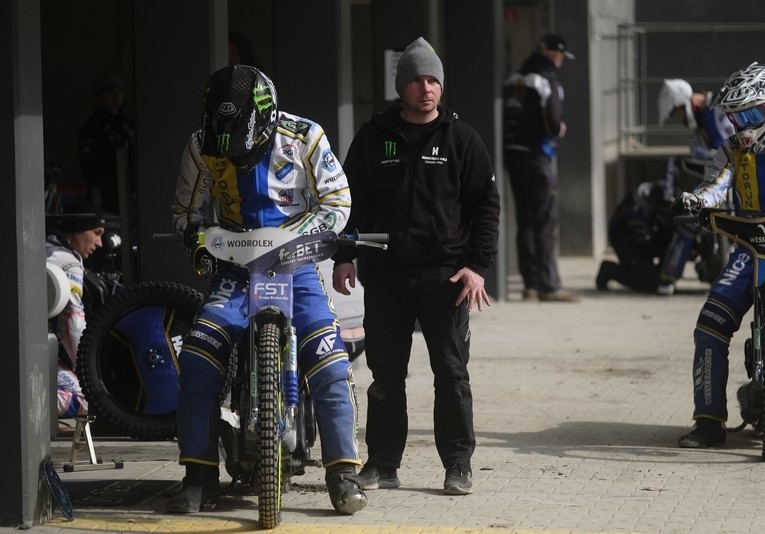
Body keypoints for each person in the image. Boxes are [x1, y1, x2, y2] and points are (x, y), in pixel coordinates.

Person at [168, 65, 367, 515]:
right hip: (235, 269)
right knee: (198, 357)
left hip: (296, 266)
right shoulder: (201, 146)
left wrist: (306, 240)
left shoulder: (307, 136)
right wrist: (198, 241)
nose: (236, 158)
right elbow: (185, 211)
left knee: (330, 359)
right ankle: (198, 476)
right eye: (228, 150)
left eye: (245, 149)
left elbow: (338, 201)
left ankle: (342, 473)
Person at [332, 36, 500, 496]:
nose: (426, 88)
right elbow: (348, 201)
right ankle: (383, 464)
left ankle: (458, 466)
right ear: (400, 87)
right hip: (385, 275)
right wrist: (344, 255)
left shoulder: (462, 139)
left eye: (433, 80)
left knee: (451, 374)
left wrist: (477, 267)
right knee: (386, 376)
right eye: (417, 80)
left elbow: (486, 205)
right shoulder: (371, 139)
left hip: (446, 277)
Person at [674, 62, 765, 448]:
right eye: (736, 118)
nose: (743, 127)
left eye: (752, 115)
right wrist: (698, 200)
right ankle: (709, 421)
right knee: (709, 326)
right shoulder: (730, 150)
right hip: (748, 247)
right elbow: (715, 185)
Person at [503, 33, 577, 302]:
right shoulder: (547, 80)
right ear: (553, 54)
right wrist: (559, 129)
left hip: (513, 157)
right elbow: (554, 121)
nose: (561, 62)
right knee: (545, 221)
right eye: (560, 56)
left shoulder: (514, 78)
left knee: (525, 222)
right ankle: (549, 285)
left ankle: (530, 284)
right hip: (537, 157)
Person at [655, 78, 735, 295]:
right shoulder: (699, 121)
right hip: (717, 184)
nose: (678, 118)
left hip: (740, 182)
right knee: (688, 222)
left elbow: (728, 147)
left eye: (676, 113)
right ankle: (668, 278)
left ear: (681, 103)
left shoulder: (717, 108)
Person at [46, 200, 106, 418]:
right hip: (32, 353)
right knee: (91, 400)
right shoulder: (68, 262)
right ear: (78, 229)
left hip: (23, 350)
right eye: (97, 232)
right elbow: (72, 325)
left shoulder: (47, 250)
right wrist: (88, 373)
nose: (100, 243)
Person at [595, 180, 675, 293]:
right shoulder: (637, 210)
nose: (668, 209)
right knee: (650, 283)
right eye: (665, 206)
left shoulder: (654, 199)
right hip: (627, 243)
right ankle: (608, 270)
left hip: (641, 242)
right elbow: (642, 233)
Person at [78, 69, 136, 214]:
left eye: (118, 92)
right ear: (100, 97)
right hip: (104, 201)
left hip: (132, 197)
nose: (115, 96)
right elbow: (90, 169)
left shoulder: (128, 126)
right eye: (110, 92)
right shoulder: (92, 128)